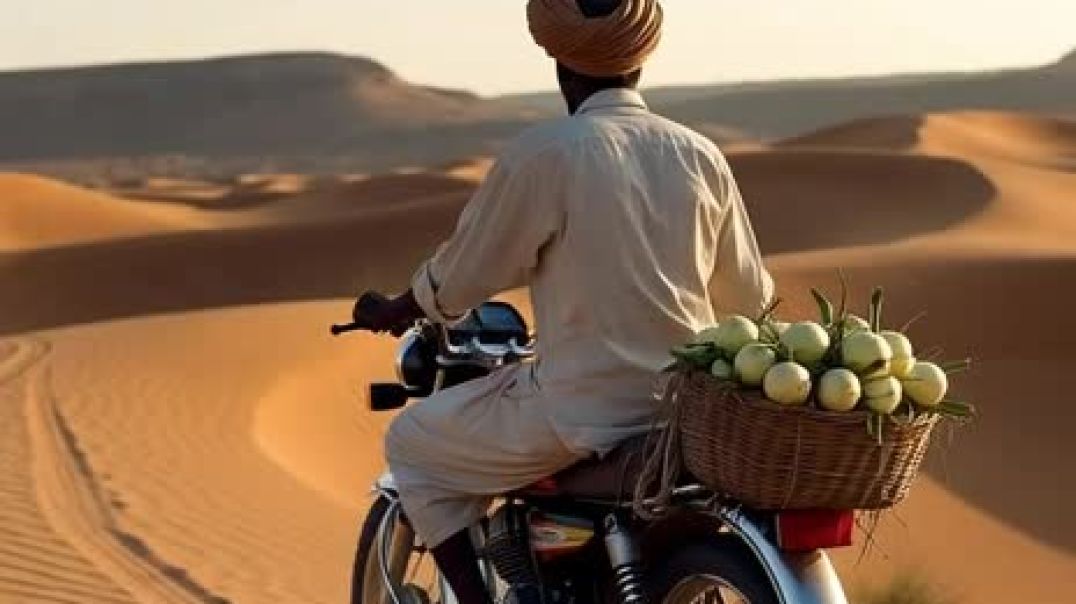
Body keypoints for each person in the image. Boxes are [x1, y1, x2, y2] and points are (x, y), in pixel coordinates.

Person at [355, 0, 773, 602]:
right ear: (640, 64)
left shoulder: (548, 152)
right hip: (686, 412)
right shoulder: (698, 154)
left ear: (560, 68)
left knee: (412, 441)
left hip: (584, 411)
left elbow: (469, 268)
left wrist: (402, 307)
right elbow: (750, 298)